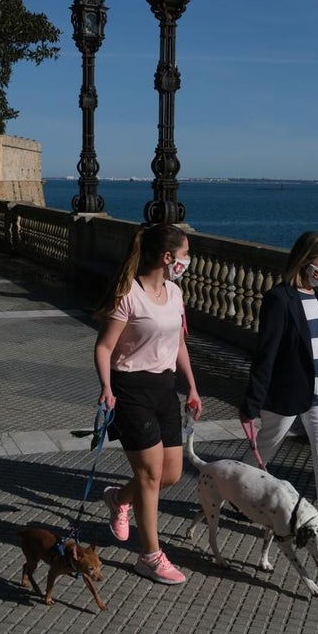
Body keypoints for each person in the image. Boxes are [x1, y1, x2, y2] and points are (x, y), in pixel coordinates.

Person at [239, 231, 318, 559]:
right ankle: (237, 492)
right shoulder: (279, 299)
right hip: (290, 393)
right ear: (305, 259)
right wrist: (252, 402)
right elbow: (266, 354)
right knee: (266, 446)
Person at [94, 223, 202, 585]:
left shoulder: (175, 292)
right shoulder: (129, 294)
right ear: (168, 257)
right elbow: (104, 347)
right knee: (150, 475)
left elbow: (179, 343)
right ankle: (150, 556)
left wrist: (192, 387)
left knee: (170, 473)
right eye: (185, 254)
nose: (188, 260)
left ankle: (118, 499)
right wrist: (106, 387)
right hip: (130, 389)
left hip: (164, 388)